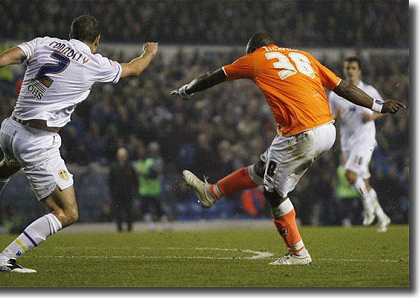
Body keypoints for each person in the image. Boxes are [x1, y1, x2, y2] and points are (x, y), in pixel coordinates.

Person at [171, 32, 405, 265]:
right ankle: (212, 192)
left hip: (302, 133)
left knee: (274, 193)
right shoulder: (304, 56)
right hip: (326, 129)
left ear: (253, 50)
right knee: (262, 169)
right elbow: (342, 87)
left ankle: (298, 253)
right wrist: (379, 105)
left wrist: (187, 89)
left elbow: (214, 76)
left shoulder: (255, 59)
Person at [0, 15, 158, 273]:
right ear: (97, 40)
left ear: (71, 33)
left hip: (10, 129)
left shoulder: (44, 43)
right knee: (68, 212)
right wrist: (149, 52)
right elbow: (135, 69)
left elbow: (5, 58)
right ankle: (5, 259)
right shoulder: (95, 63)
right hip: (37, 141)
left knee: (5, 166)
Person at [329, 57, 391, 232]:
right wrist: (336, 117)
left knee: (350, 174)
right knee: (364, 182)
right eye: (347, 68)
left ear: (359, 71)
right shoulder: (335, 94)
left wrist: (372, 116)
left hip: (365, 140)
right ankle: (382, 217)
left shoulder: (368, 90)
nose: (350, 71)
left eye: (353, 68)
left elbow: (383, 108)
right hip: (347, 143)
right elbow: (329, 117)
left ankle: (367, 204)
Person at [134, 142, 170, 231]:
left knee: (158, 208)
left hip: (153, 189)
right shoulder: (138, 163)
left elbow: (154, 174)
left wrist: (143, 175)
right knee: (145, 208)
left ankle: (165, 224)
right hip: (144, 190)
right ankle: (150, 225)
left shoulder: (150, 162)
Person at [108, 147, 138, 232]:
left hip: (128, 193)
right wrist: (113, 192)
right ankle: (119, 229)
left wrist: (134, 190)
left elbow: (135, 180)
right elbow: (111, 181)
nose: (122, 157)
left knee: (129, 211)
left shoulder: (130, 167)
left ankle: (129, 229)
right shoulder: (114, 167)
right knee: (118, 212)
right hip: (117, 194)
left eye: (123, 155)